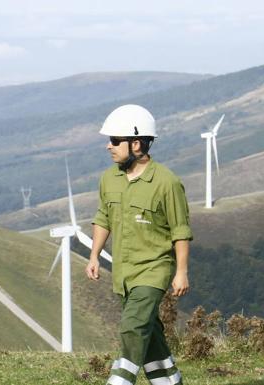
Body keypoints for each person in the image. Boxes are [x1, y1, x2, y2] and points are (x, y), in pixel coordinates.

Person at [86, 104, 192, 385]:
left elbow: (180, 230)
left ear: (137, 143)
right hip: (123, 272)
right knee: (150, 332)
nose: (108, 147)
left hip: (153, 269)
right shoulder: (109, 179)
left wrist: (181, 271)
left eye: (114, 141)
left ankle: (120, 380)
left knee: (133, 326)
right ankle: (170, 381)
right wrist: (94, 255)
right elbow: (103, 218)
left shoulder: (167, 182)